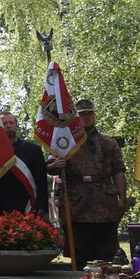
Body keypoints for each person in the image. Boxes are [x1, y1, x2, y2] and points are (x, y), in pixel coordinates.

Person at [47, 98, 127, 265]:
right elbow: (50, 168)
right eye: (82, 114)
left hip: (104, 203)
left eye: (89, 113)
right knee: (81, 253)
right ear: (75, 117)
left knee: (107, 254)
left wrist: (122, 198)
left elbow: (118, 171)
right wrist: (55, 165)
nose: (86, 117)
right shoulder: (64, 142)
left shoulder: (108, 142)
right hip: (76, 204)